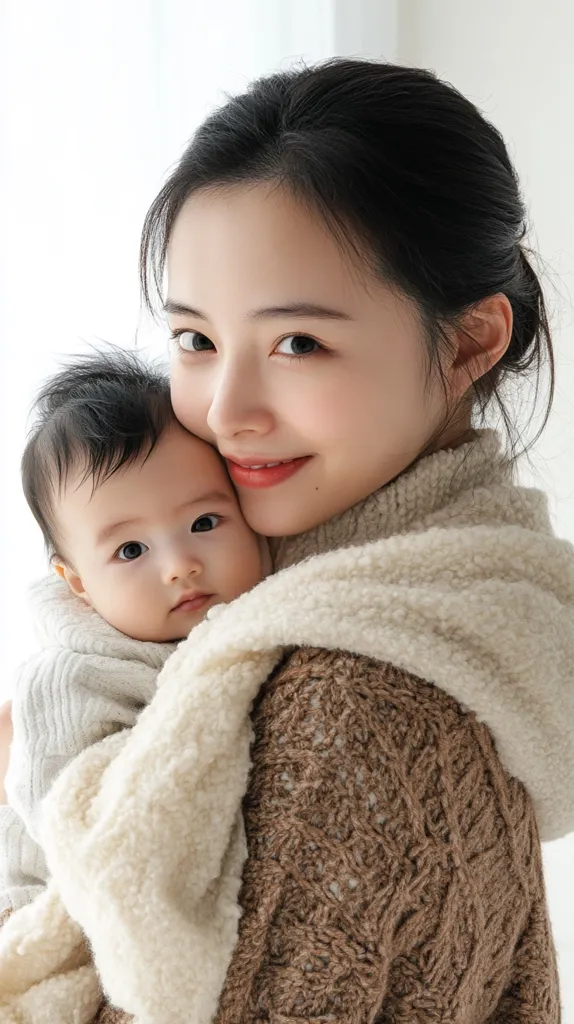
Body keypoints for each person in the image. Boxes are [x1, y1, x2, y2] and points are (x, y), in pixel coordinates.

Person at [1, 58, 573, 1024]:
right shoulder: (469, 618)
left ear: (473, 340)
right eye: (193, 340)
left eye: (298, 344)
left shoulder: (345, 695)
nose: (225, 410)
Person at [0, 349, 264, 914]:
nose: (179, 565)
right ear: (79, 584)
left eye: (204, 523)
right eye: (131, 550)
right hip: (51, 895)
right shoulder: (72, 678)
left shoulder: (255, 617)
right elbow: (57, 809)